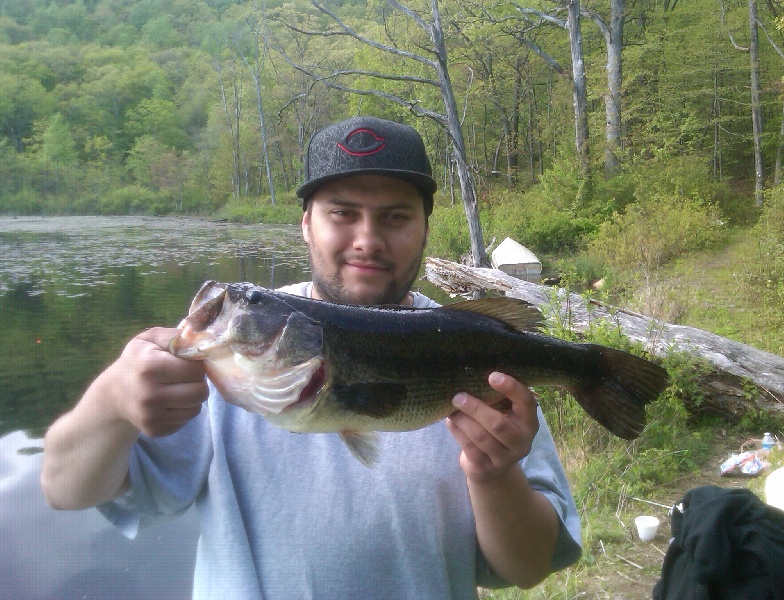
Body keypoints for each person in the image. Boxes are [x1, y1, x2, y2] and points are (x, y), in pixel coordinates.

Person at [41, 116, 581, 598]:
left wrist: (494, 475)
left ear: (424, 227)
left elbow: (529, 567)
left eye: (395, 217)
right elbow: (65, 489)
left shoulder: (478, 350)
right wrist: (111, 402)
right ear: (306, 223)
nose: (367, 239)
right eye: (342, 213)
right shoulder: (222, 371)